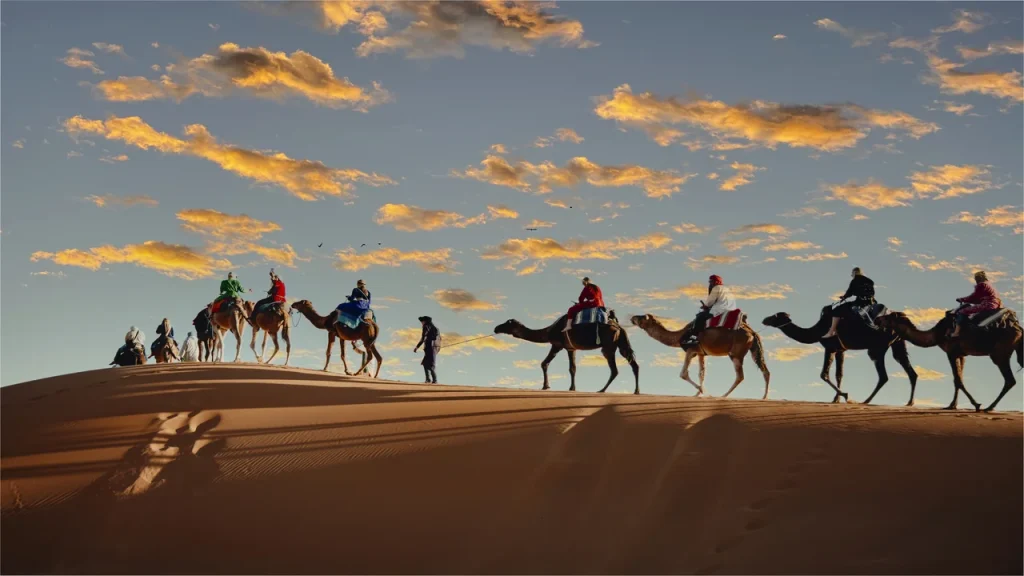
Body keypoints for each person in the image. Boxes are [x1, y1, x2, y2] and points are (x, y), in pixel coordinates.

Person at [680, 274, 736, 344]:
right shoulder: (726, 289)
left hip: (720, 310)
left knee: (700, 317)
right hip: (730, 310)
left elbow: (710, 301)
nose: (710, 283)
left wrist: (705, 306)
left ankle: (694, 337)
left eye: (711, 281)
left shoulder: (716, 288)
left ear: (716, 282)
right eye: (709, 281)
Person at [824, 267, 875, 338]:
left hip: (860, 303)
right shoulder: (869, 281)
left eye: (852, 273)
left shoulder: (855, 280)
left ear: (854, 273)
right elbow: (872, 293)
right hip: (871, 303)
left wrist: (844, 297)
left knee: (837, 310)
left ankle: (831, 332)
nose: (852, 275)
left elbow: (849, 292)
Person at [951, 271, 1002, 338]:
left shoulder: (982, 285)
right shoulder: (990, 285)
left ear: (978, 278)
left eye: (976, 278)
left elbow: (974, 297)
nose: (976, 280)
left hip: (987, 305)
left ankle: (956, 333)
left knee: (962, 311)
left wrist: (962, 299)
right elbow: (979, 299)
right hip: (995, 305)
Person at [414, 316, 440, 384]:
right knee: (426, 363)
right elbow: (423, 338)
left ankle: (434, 380)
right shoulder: (432, 328)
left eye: (422, 321)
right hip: (432, 348)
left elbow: (424, 338)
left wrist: (417, 347)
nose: (421, 323)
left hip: (431, 348)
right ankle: (429, 379)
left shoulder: (428, 327)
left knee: (430, 364)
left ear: (425, 321)